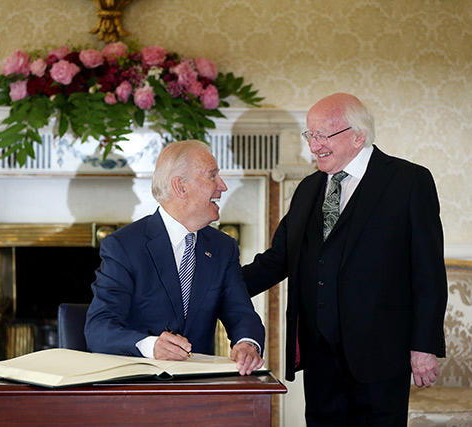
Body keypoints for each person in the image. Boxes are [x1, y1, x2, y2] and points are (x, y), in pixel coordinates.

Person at [242, 93, 447, 424]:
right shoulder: (308, 188)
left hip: (381, 353)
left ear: (358, 135)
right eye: (311, 135)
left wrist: (423, 345)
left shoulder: (408, 181)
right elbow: (277, 260)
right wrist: (214, 288)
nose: (314, 145)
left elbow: (428, 272)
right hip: (319, 354)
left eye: (323, 135)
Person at [85, 140, 265, 375]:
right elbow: (98, 328)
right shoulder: (123, 246)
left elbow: (241, 313)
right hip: (137, 387)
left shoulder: (223, 248)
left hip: (198, 387)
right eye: (212, 176)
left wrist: (247, 343)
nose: (222, 186)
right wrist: (151, 346)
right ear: (181, 186)